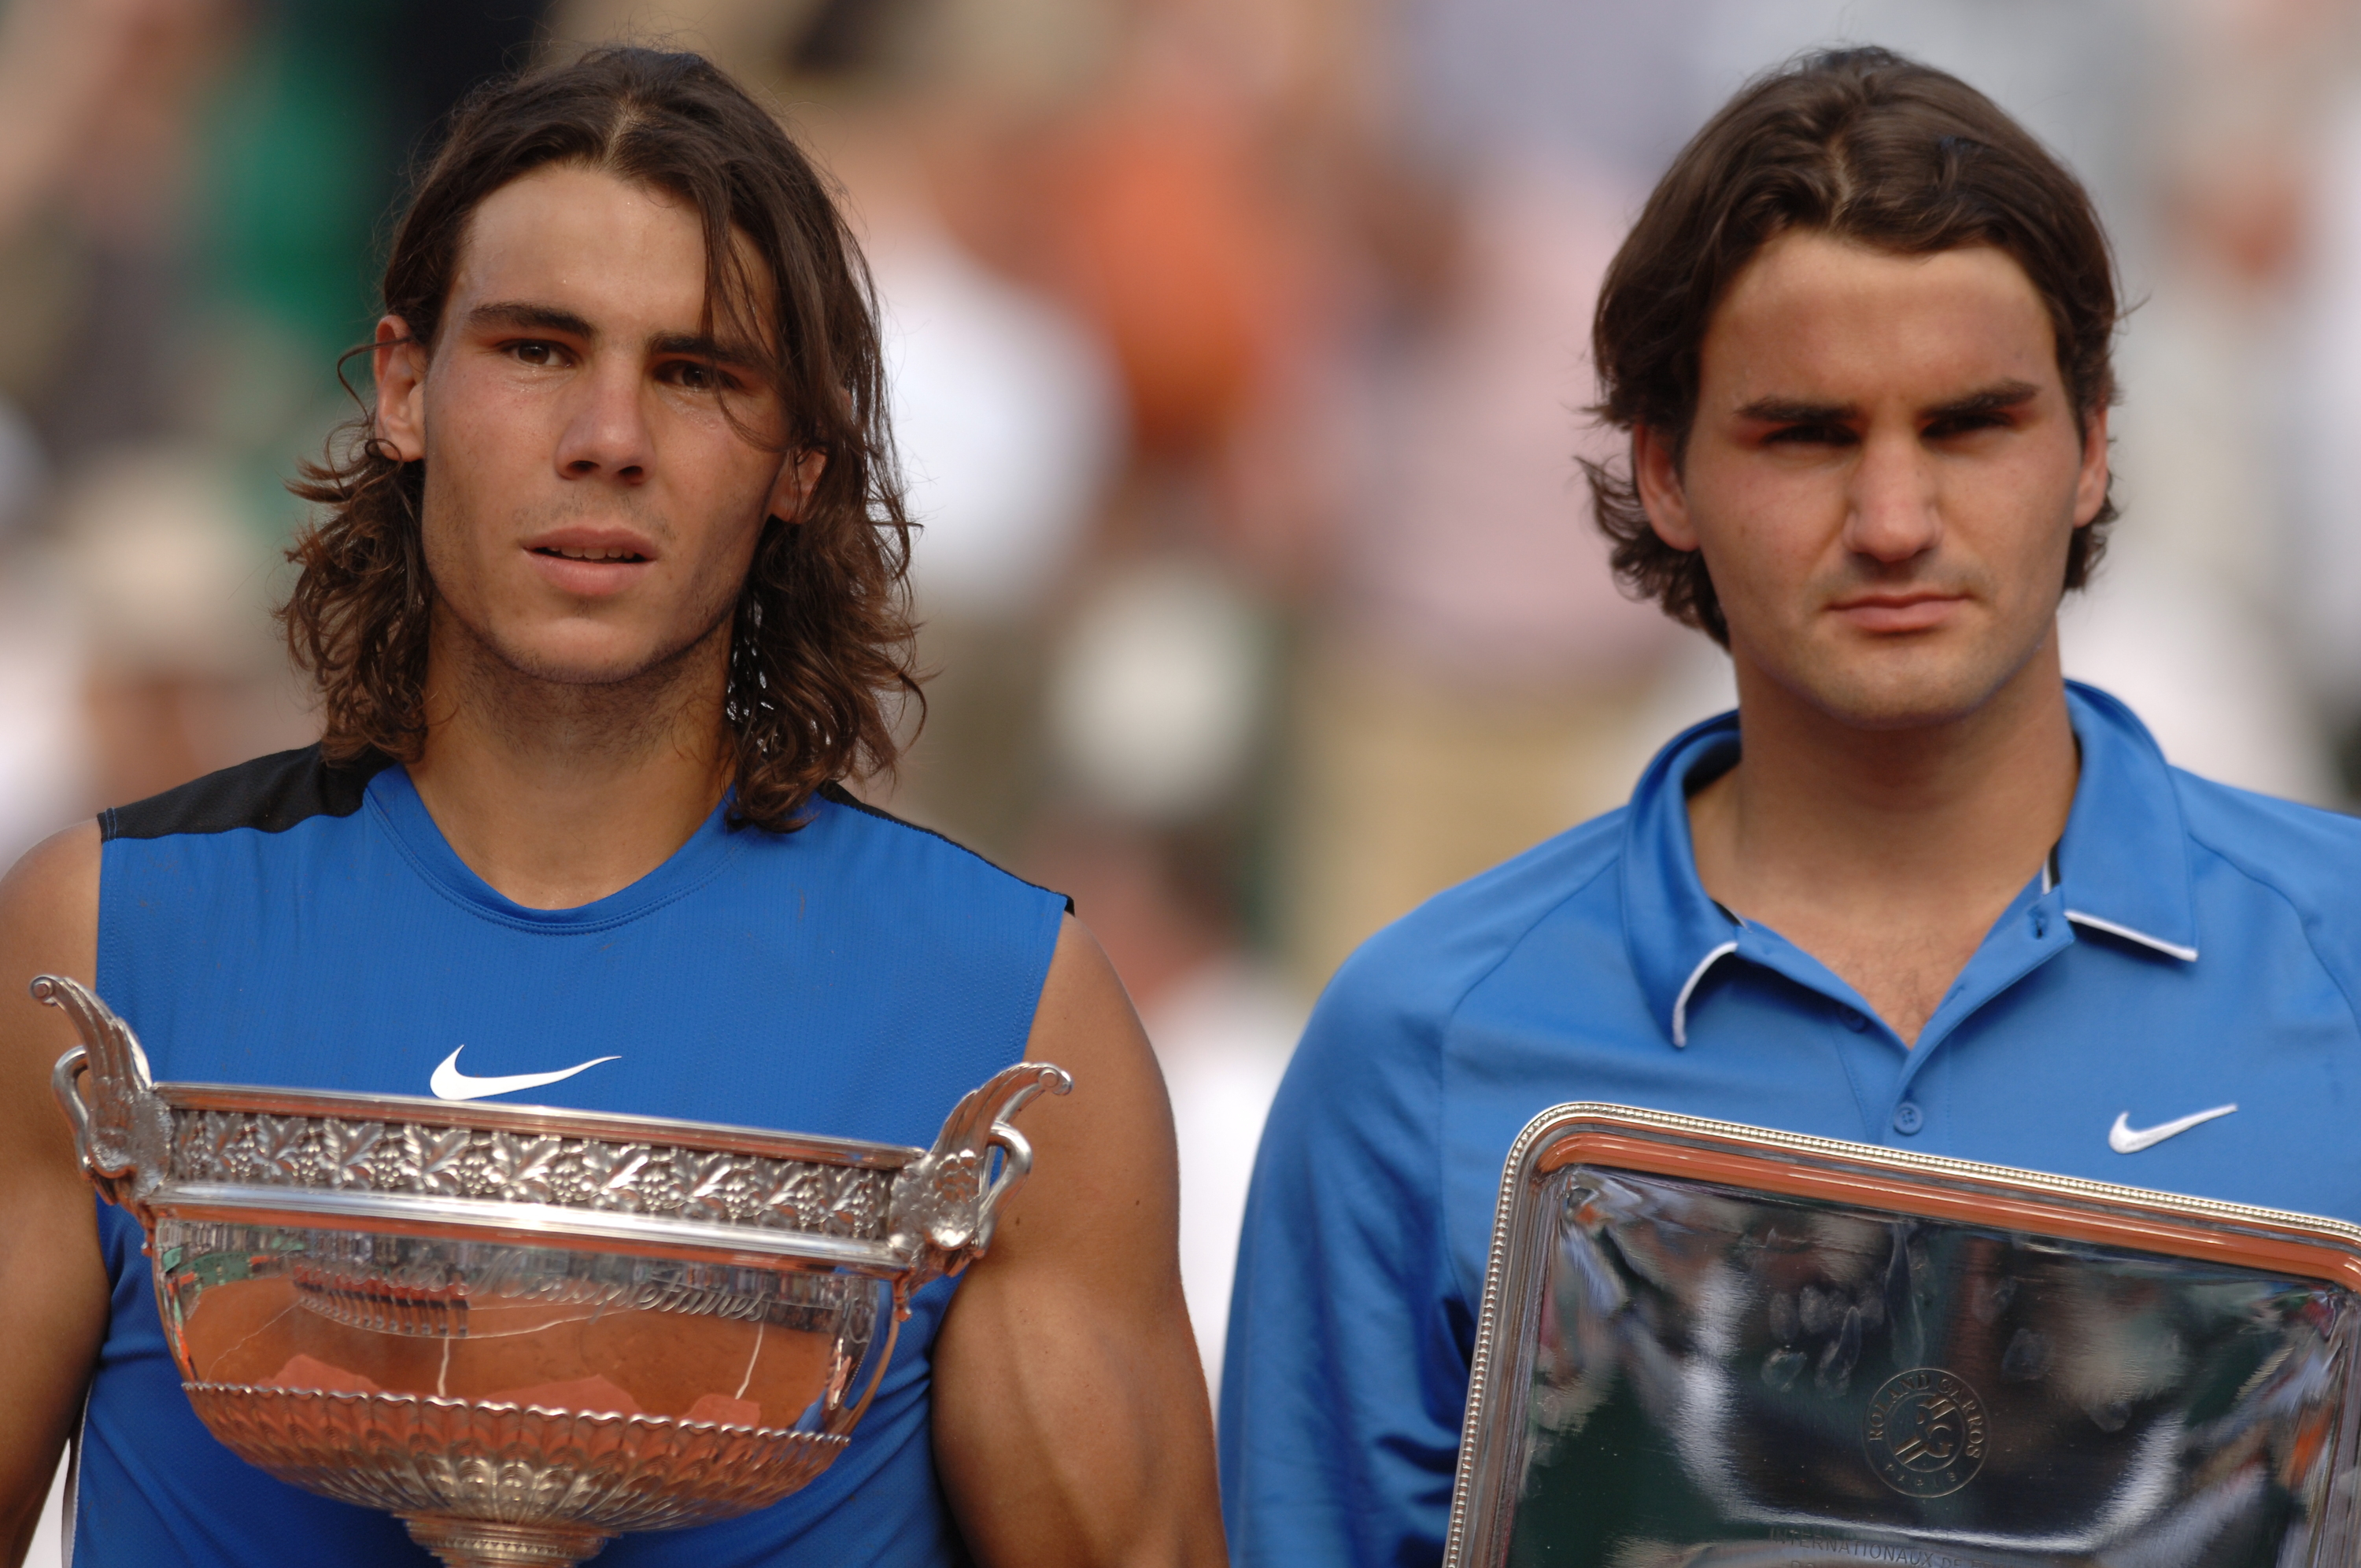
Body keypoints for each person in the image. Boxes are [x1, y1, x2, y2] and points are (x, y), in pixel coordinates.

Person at [0, 48, 1222, 1568]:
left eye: (698, 374)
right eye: (535, 349)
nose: (609, 438)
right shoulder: (99, 946)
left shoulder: (1016, 1027)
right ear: (402, 389)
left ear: (800, 463)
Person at [1220, 46, 2361, 1566]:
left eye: (1970, 424)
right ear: (1665, 472)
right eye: (1806, 434)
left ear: (2091, 449)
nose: (1894, 520)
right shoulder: (1416, 1048)